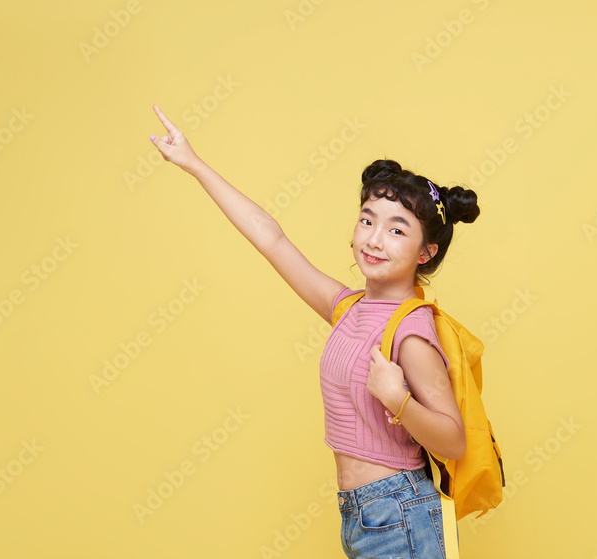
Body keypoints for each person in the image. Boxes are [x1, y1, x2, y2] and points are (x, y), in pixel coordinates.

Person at [149, 103, 481, 558]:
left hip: (399, 513)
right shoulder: (349, 308)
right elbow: (272, 239)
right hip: (364, 513)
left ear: (425, 253)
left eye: (397, 230)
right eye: (368, 220)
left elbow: (454, 439)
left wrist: (397, 399)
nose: (374, 238)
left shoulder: (411, 332)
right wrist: (193, 163)